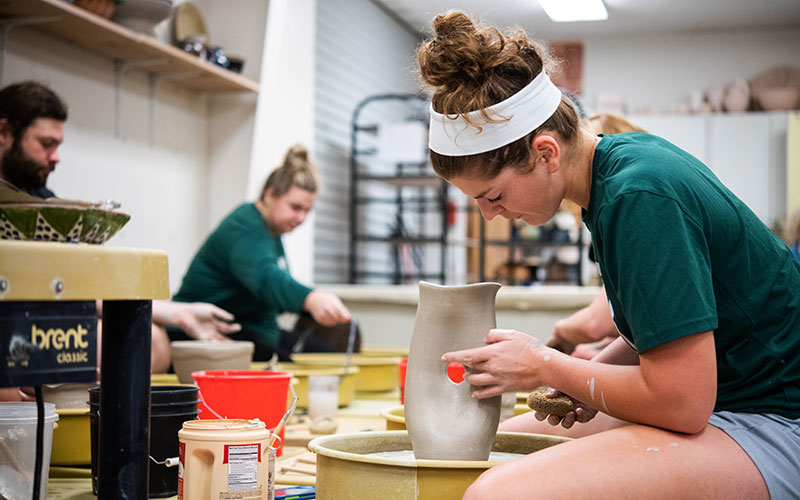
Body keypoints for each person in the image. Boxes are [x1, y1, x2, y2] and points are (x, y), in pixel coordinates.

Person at [419, 12, 800, 499]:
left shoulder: (638, 195)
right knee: (490, 450)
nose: (490, 215)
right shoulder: (617, 173)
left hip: (773, 418)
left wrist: (545, 365)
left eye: (492, 196)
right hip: (728, 400)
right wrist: (587, 375)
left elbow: (682, 402)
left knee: (496, 493)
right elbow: (663, 334)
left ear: (546, 153)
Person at [0, 81, 241, 374]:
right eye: (46, 144)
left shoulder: (43, 203)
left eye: (58, 146)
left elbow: (85, 283)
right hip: (15, 326)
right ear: (3, 133)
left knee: (150, 341)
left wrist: (180, 313)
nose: (56, 157)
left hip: (54, 322)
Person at [170, 145, 351, 361]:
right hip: (210, 334)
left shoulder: (271, 232)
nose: (302, 218)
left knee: (331, 358)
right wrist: (309, 298)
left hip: (254, 332)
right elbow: (266, 279)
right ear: (270, 194)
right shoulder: (243, 228)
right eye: (295, 207)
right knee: (297, 371)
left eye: (307, 211)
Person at [547, 114, 647, 360]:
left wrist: (562, 334)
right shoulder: (607, 214)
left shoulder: (630, 206)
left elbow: (598, 322)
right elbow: (636, 338)